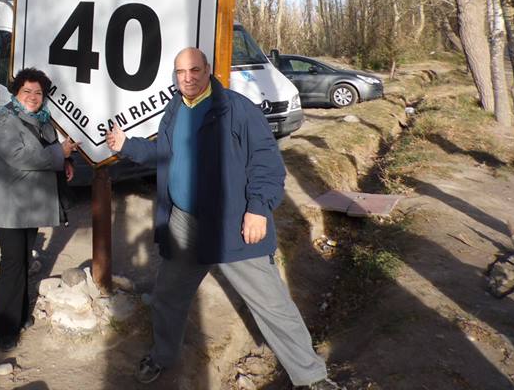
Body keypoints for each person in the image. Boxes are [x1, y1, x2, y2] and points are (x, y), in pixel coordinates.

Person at [106, 47, 342, 389]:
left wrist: (258, 209)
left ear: (208, 70)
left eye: (194, 70)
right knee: (168, 297)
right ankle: (162, 356)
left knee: (271, 304)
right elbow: (165, 154)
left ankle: (312, 376)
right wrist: (127, 145)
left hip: (232, 225)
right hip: (184, 223)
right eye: (181, 72)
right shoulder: (176, 108)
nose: (188, 78)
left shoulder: (236, 109)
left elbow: (267, 163)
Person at [0, 67, 79, 352]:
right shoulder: (3, 118)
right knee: (13, 263)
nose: (33, 97)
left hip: (30, 205)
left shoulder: (42, 119)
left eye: (38, 92)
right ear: (16, 92)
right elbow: (19, 156)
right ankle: (6, 329)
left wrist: (66, 161)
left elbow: (50, 147)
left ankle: (22, 314)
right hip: (9, 206)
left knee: (24, 259)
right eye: (27, 91)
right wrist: (60, 154)